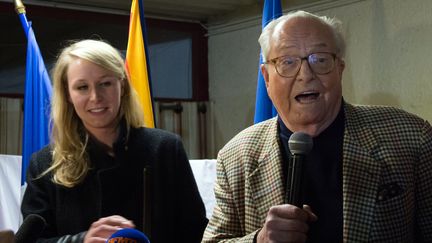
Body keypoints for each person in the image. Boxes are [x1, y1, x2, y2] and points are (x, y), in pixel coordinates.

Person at [202, 10, 432, 243]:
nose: (305, 75)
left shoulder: (412, 137)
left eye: (320, 59)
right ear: (267, 78)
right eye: (287, 62)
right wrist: (258, 240)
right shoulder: (236, 156)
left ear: (340, 69)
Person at [21, 39, 208, 243]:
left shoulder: (165, 148)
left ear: (123, 85)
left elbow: (195, 231)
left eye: (105, 83)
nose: (95, 97)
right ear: (68, 95)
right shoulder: (44, 163)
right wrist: (80, 241)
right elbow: (30, 241)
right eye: (82, 87)